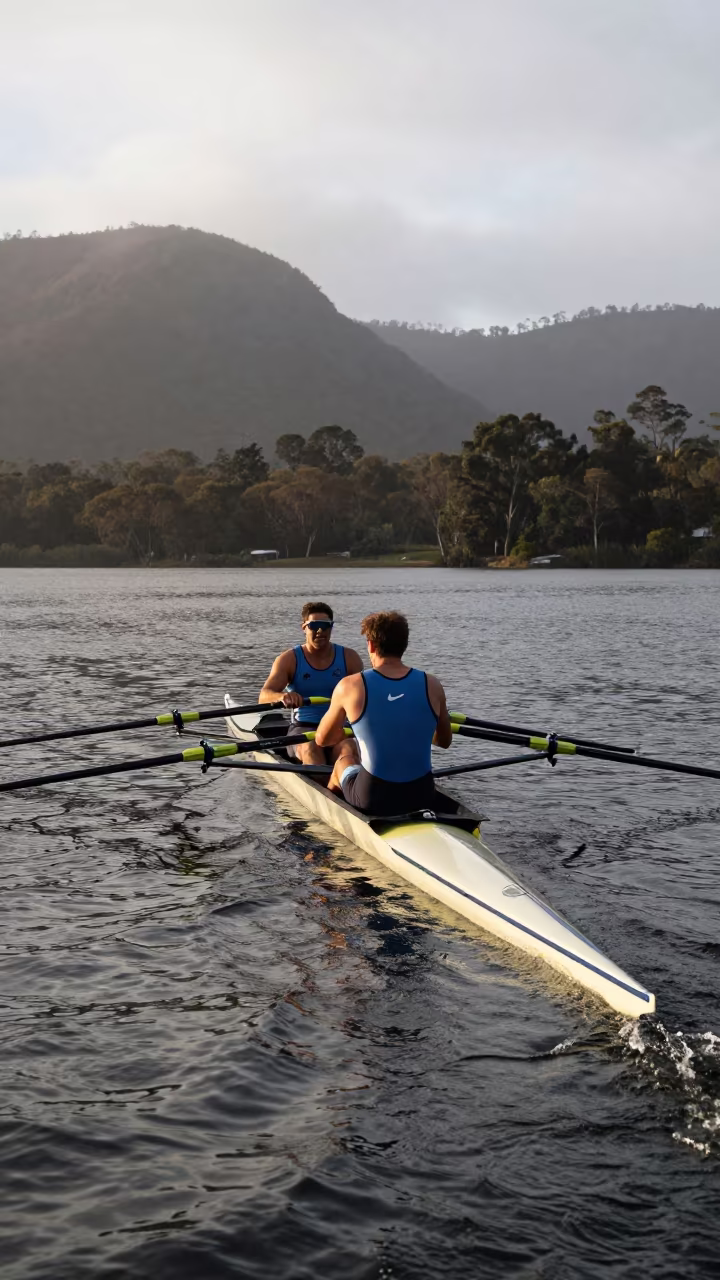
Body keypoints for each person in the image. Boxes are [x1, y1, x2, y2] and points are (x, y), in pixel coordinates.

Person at [315, 610, 453, 815]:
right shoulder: (432, 684)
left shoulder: (350, 686)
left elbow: (323, 739)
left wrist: (354, 730)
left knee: (344, 762)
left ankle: (328, 818)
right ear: (404, 645)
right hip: (422, 795)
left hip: (374, 797)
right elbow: (444, 741)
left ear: (370, 645)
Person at [259, 601, 363, 775]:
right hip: (303, 728)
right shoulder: (289, 659)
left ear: (331, 628)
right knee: (311, 748)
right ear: (304, 628)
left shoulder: (349, 658)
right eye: (314, 626)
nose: (320, 631)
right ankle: (328, 792)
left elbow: (363, 699)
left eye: (325, 626)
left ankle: (344, 790)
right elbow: (264, 695)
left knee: (349, 748)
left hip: (340, 728)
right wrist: (282, 697)